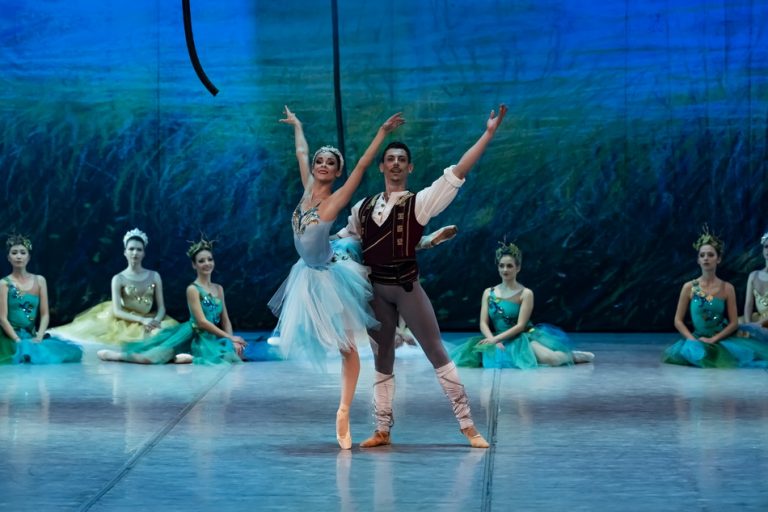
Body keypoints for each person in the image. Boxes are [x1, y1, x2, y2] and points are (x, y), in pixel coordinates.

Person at [337, 104, 508, 449]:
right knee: (383, 357)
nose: (396, 164)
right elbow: (345, 242)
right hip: (375, 291)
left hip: (406, 287)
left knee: (435, 351)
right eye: (390, 159)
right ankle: (382, 429)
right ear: (382, 166)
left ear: (409, 167)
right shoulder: (362, 207)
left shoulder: (420, 203)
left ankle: (468, 425)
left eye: (402, 159)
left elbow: (456, 173)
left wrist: (488, 134)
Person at [268, 106, 404, 450]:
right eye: (320, 161)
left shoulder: (335, 199)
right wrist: (298, 125)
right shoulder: (306, 190)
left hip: (331, 277)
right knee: (323, 339)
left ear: (337, 171)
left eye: (331, 163)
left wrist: (382, 132)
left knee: (346, 348)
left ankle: (343, 410)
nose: (323, 165)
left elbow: (362, 166)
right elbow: (301, 152)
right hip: (306, 275)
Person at [97, 238, 245, 365]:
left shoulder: (219, 288)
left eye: (210, 259)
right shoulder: (193, 289)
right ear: (194, 265)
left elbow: (225, 320)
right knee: (150, 358)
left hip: (212, 337)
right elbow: (202, 322)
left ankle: (190, 358)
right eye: (201, 261)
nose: (207, 263)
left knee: (234, 356)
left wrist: (231, 342)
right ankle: (116, 356)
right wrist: (230, 337)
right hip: (193, 335)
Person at [451, 242, 594, 368]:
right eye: (501, 266)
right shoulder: (488, 292)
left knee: (551, 360)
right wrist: (491, 339)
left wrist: (495, 339)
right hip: (498, 337)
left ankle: (571, 356)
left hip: (523, 337)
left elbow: (520, 326)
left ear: (517, 268)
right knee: (469, 358)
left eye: (509, 266)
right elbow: (483, 322)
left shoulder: (526, 293)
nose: (505, 270)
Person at [48, 228, 177, 345]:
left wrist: (156, 321)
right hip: (126, 321)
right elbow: (117, 311)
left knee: (166, 334)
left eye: (139, 249)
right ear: (125, 252)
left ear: (144, 253)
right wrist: (142, 320)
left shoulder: (154, 276)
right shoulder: (118, 278)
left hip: (150, 319)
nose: (135, 253)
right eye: (131, 249)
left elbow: (161, 307)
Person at [663, 228, 768, 368]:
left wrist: (713, 339)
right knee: (697, 354)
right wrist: (691, 340)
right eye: (702, 255)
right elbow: (678, 320)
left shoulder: (727, 288)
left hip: (720, 338)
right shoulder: (689, 287)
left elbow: (733, 323)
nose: (706, 258)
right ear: (698, 260)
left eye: (710, 255)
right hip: (697, 338)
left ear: (718, 259)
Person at [0, 234, 82, 364]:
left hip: (31, 334)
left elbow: (45, 314)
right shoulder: (4, 283)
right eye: (14, 253)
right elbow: (2, 318)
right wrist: (17, 340)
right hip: (8, 336)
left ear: (29, 257)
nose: (19, 256)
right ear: (8, 258)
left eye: (23, 252)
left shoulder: (39, 281)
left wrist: (39, 337)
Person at [739, 231, 768, 342]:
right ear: (763, 250)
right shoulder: (753, 275)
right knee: (738, 323)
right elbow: (749, 304)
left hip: (765, 321)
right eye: (766, 247)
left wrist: (758, 325)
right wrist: (749, 325)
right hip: (758, 319)